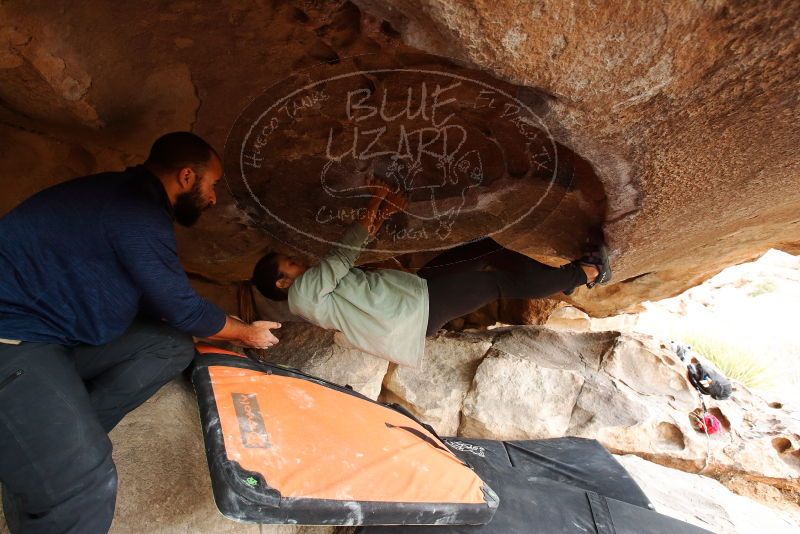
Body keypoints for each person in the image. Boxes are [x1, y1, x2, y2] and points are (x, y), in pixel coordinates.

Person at [0, 132, 281, 534]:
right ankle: (61, 470)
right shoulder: (133, 211)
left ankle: (44, 451)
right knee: (85, 489)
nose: (214, 197)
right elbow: (180, 306)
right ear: (187, 177)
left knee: (167, 347)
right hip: (13, 338)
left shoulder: (131, 201)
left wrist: (210, 326)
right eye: (212, 185)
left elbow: (160, 303)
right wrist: (244, 334)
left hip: (56, 337)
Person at [251, 181, 610, 367]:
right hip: (419, 310)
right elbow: (341, 256)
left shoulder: (312, 293)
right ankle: (585, 273)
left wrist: (382, 213)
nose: (299, 260)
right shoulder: (301, 295)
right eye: (290, 263)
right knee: (497, 282)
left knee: (484, 248)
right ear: (283, 282)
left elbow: (353, 256)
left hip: (416, 292)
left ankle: (570, 276)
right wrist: (374, 202)